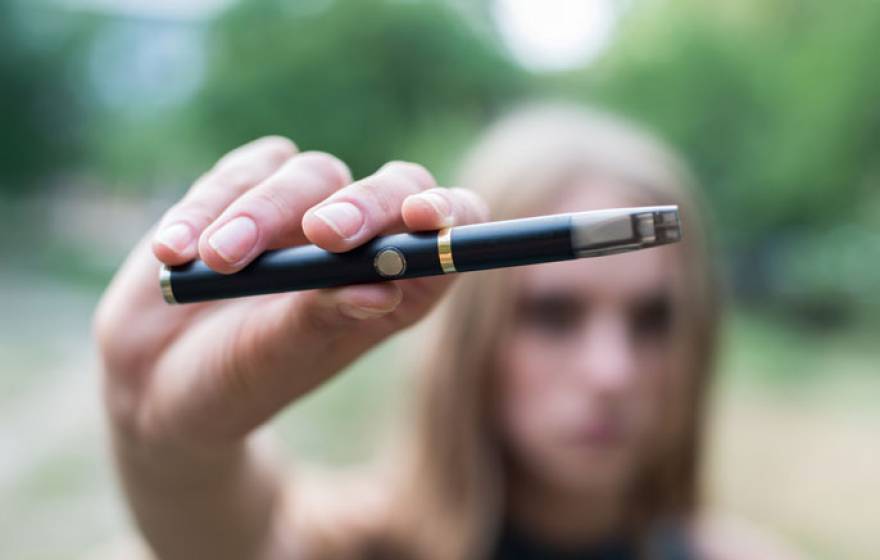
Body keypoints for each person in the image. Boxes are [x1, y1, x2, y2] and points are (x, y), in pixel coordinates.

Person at [94, 104, 799, 559]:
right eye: (553, 315)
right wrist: (170, 445)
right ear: (471, 332)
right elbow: (215, 527)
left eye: (654, 320)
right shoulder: (349, 545)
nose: (611, 372)